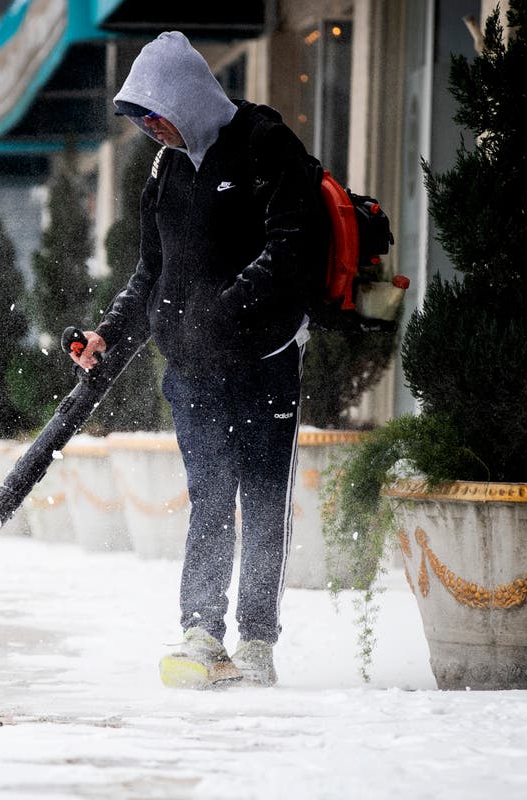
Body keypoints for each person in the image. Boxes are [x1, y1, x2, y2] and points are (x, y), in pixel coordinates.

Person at [69, 31, 326, 688]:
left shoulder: (265, 144)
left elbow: (294, 247)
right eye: (141, 119)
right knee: (211, 494)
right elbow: (149, 271)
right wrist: (108, 335)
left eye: (156, 113)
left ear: (185, 99)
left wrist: (226, 311)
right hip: (191, 371)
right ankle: (202, 630)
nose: (152, 128)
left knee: (265, 498)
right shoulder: (165, 170)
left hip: (265, 360)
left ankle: (259, 638)